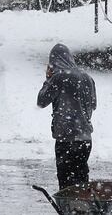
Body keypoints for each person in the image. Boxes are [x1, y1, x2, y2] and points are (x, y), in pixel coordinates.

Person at [37, 43, 96, 188]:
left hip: (66, 139)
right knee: (82, 178)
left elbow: (41, 101)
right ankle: (83, 208)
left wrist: (48, 79)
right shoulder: (87, 78)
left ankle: (69, 209)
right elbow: (93, 104)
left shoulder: (58, 78)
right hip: (85, 139)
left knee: (66, 181)